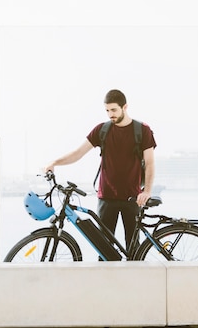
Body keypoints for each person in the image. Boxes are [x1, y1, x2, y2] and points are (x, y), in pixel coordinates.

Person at [44, 89, 156, 252]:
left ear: (125, 107)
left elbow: (150, 163)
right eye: (107, 110)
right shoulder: (102, 130)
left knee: (133, 251)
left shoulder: (142, 130)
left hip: (133, 198)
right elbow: (78, 153)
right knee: (103, 250)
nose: (110, 114)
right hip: (107, 198)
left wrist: (147, 191)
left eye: (114, 110)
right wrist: (55, 162)